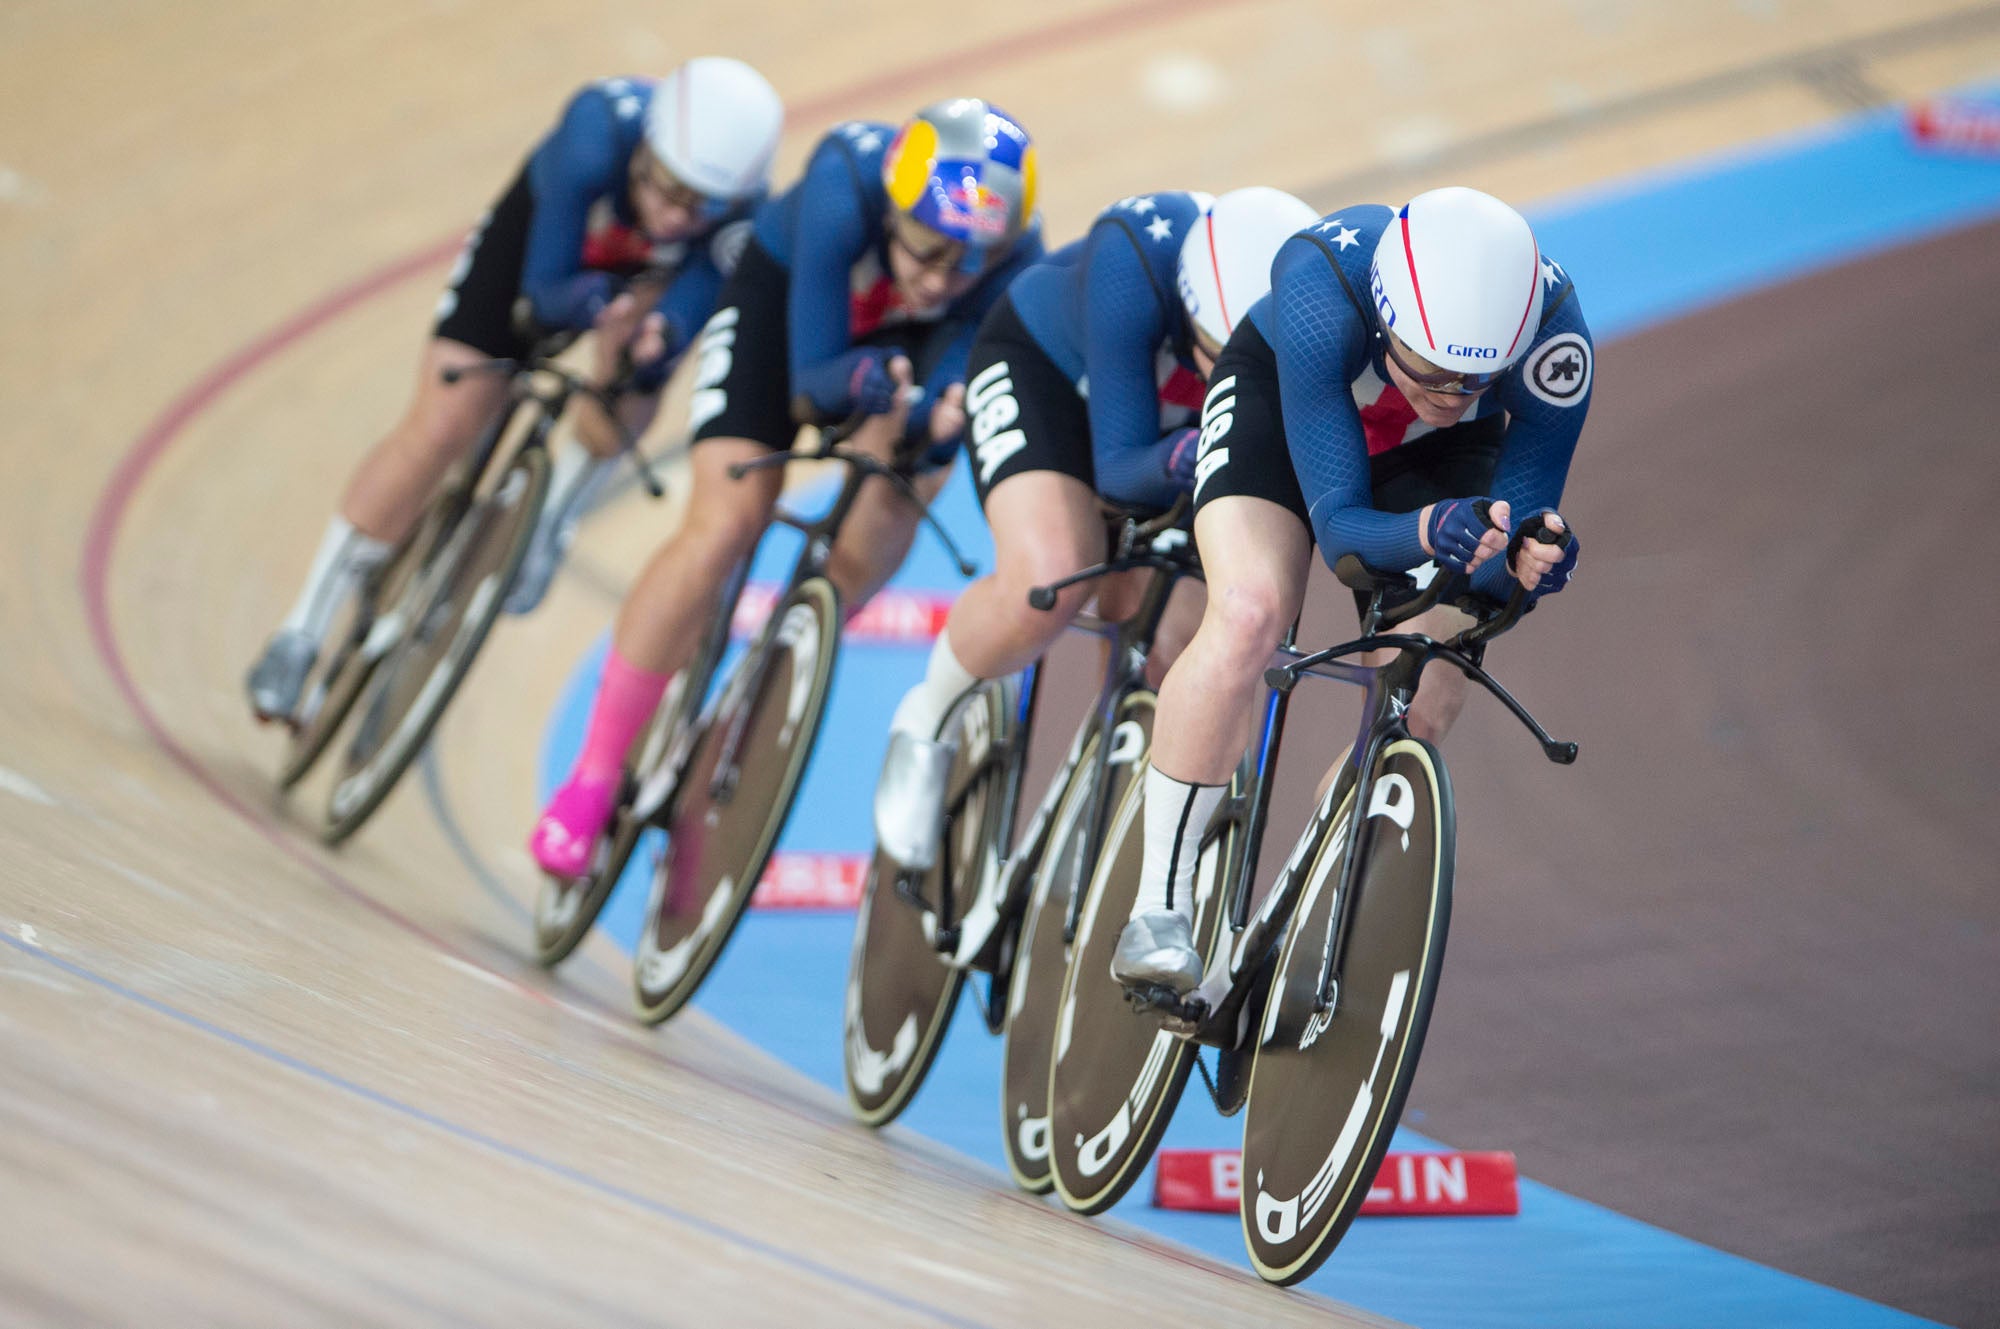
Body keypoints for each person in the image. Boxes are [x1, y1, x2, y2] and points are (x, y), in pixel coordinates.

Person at [528, 99, 1043, 877]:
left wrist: (937, 412)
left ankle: (783, 659)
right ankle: (593, 776)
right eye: (930, 248)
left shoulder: (1014, 251)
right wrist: (866, 382)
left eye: (968, 261)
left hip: (897, 349)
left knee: (892, 504)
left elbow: (961, 358)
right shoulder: (844, 184)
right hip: (790, 323)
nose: (942, 276)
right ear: (895, 208)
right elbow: (811, 385)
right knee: (723, 528)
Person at [1111, 186, 1591, 993]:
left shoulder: (1552, 338)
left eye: (1477, 380)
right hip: (1282, 409)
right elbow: (1339, 529)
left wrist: (1527, 557)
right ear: (1388, 316)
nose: (1450, 394)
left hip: (1435, 459)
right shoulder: (1320, 285)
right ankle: (1157, 904)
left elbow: (1520, 516)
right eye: (1434, 372)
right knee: (1250, 610)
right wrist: (1432, 530)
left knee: (1430, 688)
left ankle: (1295, 901)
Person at [244, 58, 785, 724]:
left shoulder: (743, 217)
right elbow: (542, 288)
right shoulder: (595, 133)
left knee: (637, 375)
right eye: (665, 189)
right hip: (542, 251)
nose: (674, 216)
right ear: (644, 147)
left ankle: (554, 513)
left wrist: (657, 338)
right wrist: (588, 300)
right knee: (448, 417)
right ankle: (301, 628)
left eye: (697, 206)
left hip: (638, 280)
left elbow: (692, 306)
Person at [872, 186, 1319, 871]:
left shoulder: (1323, 308)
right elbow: (1116, 472)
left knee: (1183, 643)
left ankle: (1118, 793)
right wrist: (1192, 460)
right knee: (1048, 578)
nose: (1237, 371)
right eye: (1220, 353)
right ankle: (926, 720)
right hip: (1048, 378)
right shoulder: (1131, 261)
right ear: (1188, 309)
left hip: (1174, 437)